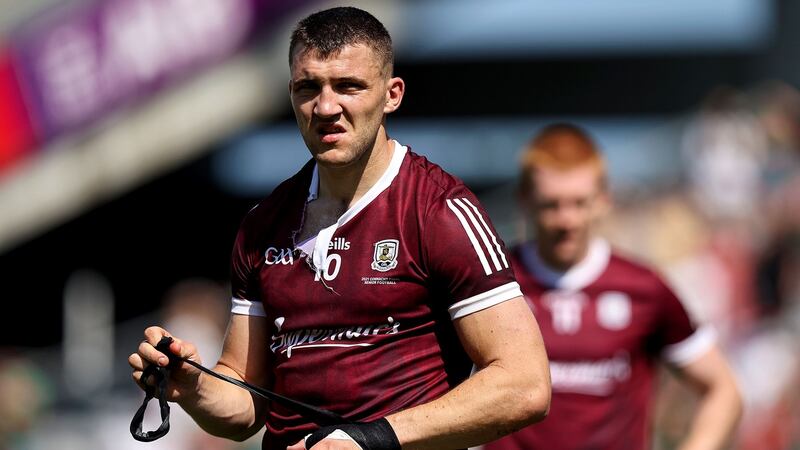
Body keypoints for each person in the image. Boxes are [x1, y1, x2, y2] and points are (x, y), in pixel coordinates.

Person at [128, 7, 550, 450]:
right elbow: (247, 404)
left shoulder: (438, 210)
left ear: (392, 94)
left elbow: (525, 384)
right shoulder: (263, 225)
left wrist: (373, 439)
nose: (327, 107)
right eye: (309, 87)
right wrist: (194, 387)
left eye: (349, 86)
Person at [484, 124, 742, 450]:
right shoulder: (491, 284)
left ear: (603, 200)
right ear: (525, 200)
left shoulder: (643, 289)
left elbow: (722, 390)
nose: (567, 220)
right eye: (552, 205)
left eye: (579, 203)